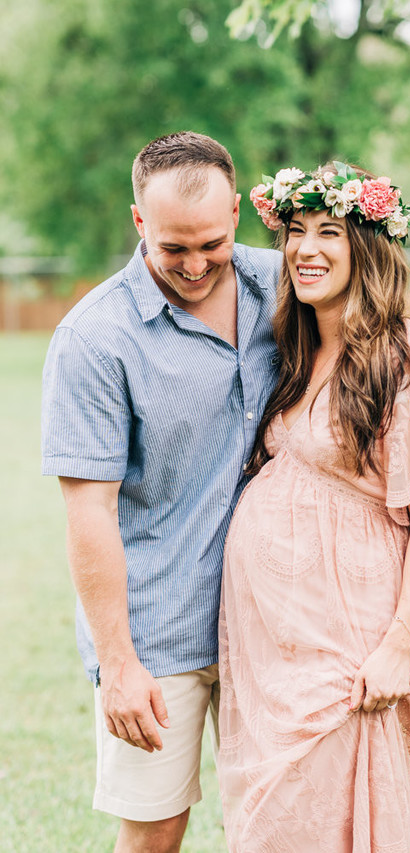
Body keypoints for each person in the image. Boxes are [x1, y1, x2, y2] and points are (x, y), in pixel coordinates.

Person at [41, 131, 281, 853]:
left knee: (284, 817)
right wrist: (118, 662)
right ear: (139, 220)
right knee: (156, 829)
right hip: (157, 632)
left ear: (237, 213)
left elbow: (381, 316)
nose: (196, 265)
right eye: (174, 247)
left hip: (270, 616)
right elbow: (89, 511)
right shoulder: (94, 338)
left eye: (212, 243)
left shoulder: (285, 286)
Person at [218, 162, 410, 852]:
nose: (306, 248)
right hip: (275, 645)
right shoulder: (297, 348)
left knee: (336, 814)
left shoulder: (407, 359)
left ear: (368, 247)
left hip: (352, 635)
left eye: (330, 231)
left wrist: (397, 646)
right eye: (295, 231)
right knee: (276, 825)